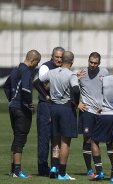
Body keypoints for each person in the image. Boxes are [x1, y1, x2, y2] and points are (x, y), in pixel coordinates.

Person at [38, 51, 80, 180]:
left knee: (55, 140)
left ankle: (54, 167)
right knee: (65, 142)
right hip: (66, 108)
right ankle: (62, 173)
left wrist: (46, 96)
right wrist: (76, 103)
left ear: (62, 60)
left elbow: (37, 82)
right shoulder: (71, 74)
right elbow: (76, 89)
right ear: (72, 62)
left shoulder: (52, 72)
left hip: (53, 108)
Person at [3, 50, 41, 178]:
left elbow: (6, 86)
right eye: (37, 63)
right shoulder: (25, 71)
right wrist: (29, 105)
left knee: (16, 137)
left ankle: (13, 170)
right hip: (21, 109)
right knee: (20, 139)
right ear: (33, 60)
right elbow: (25, 89)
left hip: (13, 108)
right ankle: (18, 171)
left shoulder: (15, 70)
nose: (36, 66)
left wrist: (12, 99)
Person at [77, 52, 109, 178]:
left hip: (101, 112)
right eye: (91, 62)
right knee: (88, 139)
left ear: (99, 63)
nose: (93, 65)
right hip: (87, 111)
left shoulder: (105, 73)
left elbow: (109, 89)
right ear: (88, 61)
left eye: (95, 63)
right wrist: (77, 103)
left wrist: (105, 107)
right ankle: (89, 169)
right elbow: (70, 88)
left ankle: (105, 169)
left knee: (104, 140)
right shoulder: (81, 73)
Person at [35, 47, 65, 177]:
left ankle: (55, 166)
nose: (59, 59)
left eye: (61, 57)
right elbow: (38, 83)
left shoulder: (64, 69)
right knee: (44, 138)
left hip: (58, 107)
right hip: (46, 106)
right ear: (52, 56)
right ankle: (42, 169)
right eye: (56, 57)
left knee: (56, 139)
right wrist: (47, 97)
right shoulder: (45, 67)